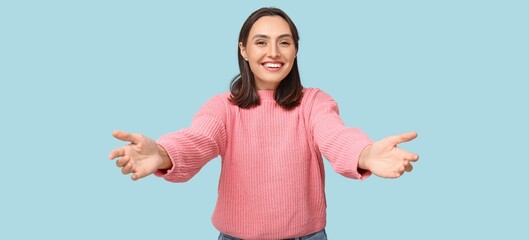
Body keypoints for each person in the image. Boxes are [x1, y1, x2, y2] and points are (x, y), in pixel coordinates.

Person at [108, 7, 419, 240]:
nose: (273, 53)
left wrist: (364, 154)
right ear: (243, 49)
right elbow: (197, 139)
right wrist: (163, 153)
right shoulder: (224, 108)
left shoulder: (313, 103)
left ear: (296, 51)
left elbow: (335, 135)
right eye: (261, 42)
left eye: (284, 43)